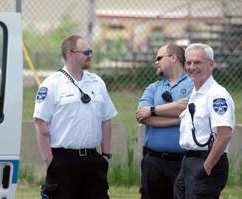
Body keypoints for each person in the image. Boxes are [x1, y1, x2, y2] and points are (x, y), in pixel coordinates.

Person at [33, 34, 118, 199]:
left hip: (93, 160)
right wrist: (50, 161)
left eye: (91, 51)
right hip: (63, 161)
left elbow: (106, 120)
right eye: (86, 52)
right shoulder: (51, 84)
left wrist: (105, 156)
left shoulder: (97, 83)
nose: (90, 56)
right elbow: (41, 124)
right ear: (70, 54)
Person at [174, 43, 235, 199]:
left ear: (211, 64)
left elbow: (225, 134)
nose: (192, 67)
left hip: (206, 161)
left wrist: (207, 166)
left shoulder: (216, 95)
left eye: (197, 62)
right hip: (188, 161)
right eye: (188, 62)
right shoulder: (196, 92)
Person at [135, 44, 194, 199]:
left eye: (159, 58)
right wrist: (179, 119)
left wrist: (153, 110)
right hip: (152, 162)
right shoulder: (153, 87)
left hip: (182, 162)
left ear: (173, 58)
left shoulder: (193, 84)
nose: (156, 62)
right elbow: (143, 117)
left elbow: (189, 106)